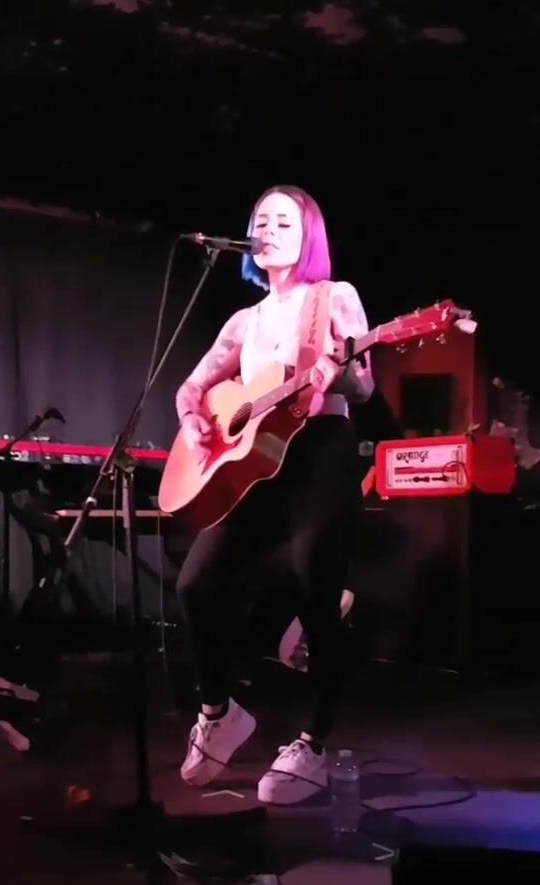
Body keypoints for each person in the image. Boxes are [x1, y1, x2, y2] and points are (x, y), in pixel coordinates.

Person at [174, 185, 375, 805]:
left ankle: (312, 743)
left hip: (320, 449)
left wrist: (338, 371)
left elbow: (364, 386)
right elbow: (191, 388)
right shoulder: (245, 321)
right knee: (195, 584)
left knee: (316, 586)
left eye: (284, 221)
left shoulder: (333, 297)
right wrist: (194, 420)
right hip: (257, 460)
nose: (268, 230)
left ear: (309, 234)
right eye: (261, 220)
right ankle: (219, 712)